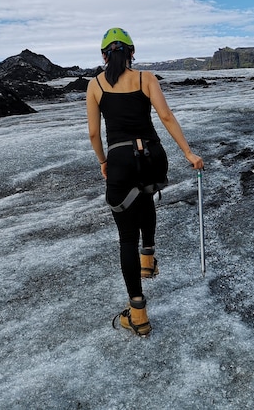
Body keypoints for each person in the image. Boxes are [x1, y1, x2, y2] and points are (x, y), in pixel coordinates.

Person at [86, 27, 204, 337]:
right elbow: (165, 117)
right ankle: (148, 258)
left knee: (126, 236)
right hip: (153, 158)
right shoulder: (146, 78)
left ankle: (138, 314)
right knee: (146, 195)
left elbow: (94, 134)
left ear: (103, 55)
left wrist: (103, 162)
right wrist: (189, 153)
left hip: (122, 162)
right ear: (132, 53)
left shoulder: (95, 86)